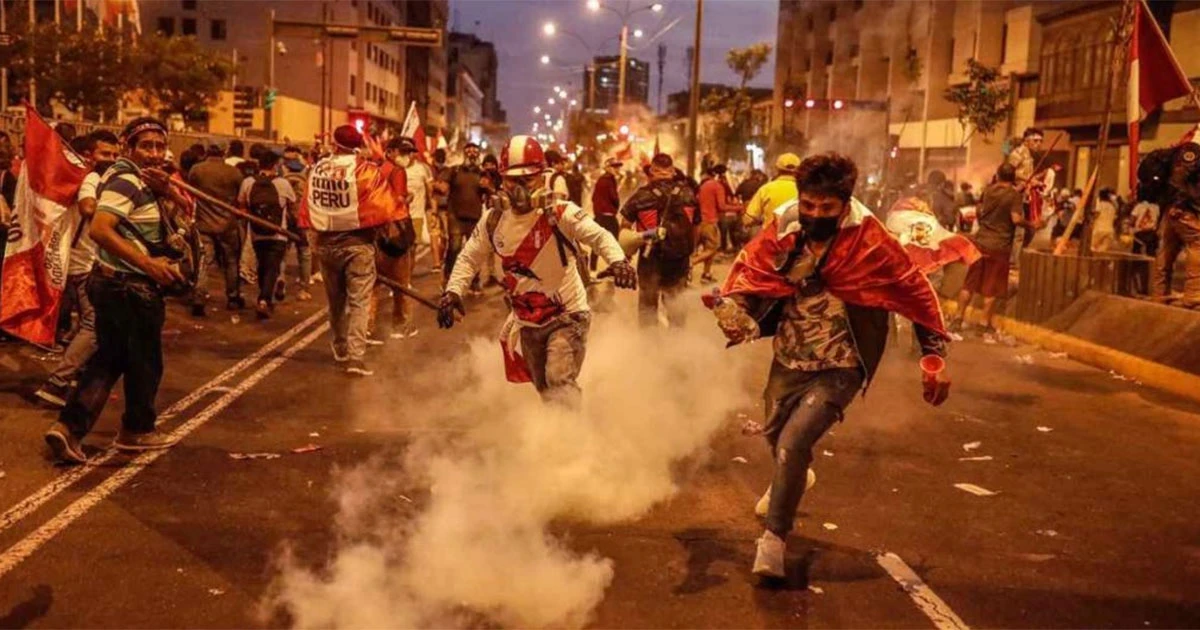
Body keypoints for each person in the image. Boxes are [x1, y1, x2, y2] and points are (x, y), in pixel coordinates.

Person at [710, 153, 950, 579]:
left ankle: (773, 541)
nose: (814, 215)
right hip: (789, 358)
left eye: (826, 209)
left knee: (792, 442)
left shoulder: (870, 240)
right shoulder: (785, 227)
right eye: (809, 205)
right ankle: (796, 475)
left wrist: (933, 355)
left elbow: (913, 289)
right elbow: (752, 273)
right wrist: (734, 309)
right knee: (777, 439)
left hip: (842, 363)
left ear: (844, 204)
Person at [437, 135, 636, 407]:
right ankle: (554, 436)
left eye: (526, 180)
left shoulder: (561, 212)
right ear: (501, 180)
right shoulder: (493, 219)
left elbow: (600, 237)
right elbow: (469, 257)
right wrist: (453, 291)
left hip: (568, 315)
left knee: (559, 382)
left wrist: (619, 261)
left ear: (542, 178)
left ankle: (571, 443)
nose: (518, 189)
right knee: (543, 388)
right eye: (511, 180)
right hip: (527, 321)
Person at [44, 117, 193, 463]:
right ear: (129, 148)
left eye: (159, 146)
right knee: (145, 364)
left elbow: (185, 214)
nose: (155, 153)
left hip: (122, 286)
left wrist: (168, 191)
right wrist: (149, 265)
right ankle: (136, 431)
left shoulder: (143, 182)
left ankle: (68, 429)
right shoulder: (125, 181)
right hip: (128, 288)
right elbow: (100, 229)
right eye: (146, 146)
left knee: (109, 360)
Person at [302, 124, 407, 376]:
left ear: (336, 144)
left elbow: (308, 203)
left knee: (335, 301)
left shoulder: (318, 168)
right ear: (358, 145)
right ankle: (356, 357)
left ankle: (340, 348)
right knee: (359, 302)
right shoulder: (366, 170)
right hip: (358, 245)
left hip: (326, 245)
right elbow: (384, 207)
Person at [34, 131, 121, 407]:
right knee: (94, 325)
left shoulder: (93, 177)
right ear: (89, 156)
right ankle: (57, 383)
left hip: (79, 262)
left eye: (115, 154)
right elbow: (87, 208)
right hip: (84, 265)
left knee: (90, 323)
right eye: (105, 154)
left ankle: (75, 377)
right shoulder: (92, 179)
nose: (111, 159)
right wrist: (115, 212)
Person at [950, 163, 1041, 336]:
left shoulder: (988, 191)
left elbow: (984, 207)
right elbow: (1015, 218)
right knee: (991, 288)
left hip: (980, 243)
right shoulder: (1014, 195)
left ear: (997, 176)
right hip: (999, 246)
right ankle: (984, 324)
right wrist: (1031, 224)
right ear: (1013, 178)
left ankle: (957, 319)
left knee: (969, 284)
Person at [619, 153, 700, 327]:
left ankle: (650, 347)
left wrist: (628, 253)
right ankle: (676, 345)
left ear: (653, 171)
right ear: (671, 171)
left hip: (651, 257)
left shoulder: (641, 195)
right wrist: (690, 252)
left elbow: (624, 226)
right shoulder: (688, 193)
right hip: (680, 259)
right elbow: (696, 226)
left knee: (648, 305)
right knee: (676, 305)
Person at [188, 144, 246, 315]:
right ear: (224, 151)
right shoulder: (234, 173)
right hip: (228, 224)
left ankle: (199, 295)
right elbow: (240, 196)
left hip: (204, 223)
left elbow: (192, 190)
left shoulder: (197, 170)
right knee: (231, 262)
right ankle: (233, 297)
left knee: (203, 261)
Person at [238, 150, 296, 319]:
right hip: (279, 234)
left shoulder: (248, 182)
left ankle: (265, 297)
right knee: (272, 267)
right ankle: (264, 299)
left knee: (263, 266)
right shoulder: (283, 184)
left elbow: (242, 205)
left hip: (256, 233)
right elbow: (292, 205)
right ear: (275, 165)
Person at [435, 141, 486, 290]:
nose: (471, 153)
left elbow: (491, 190)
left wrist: (488, 186)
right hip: (455, 216)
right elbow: (441, 184)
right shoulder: (455, 170)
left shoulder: (481, 173)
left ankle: (474, 281)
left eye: (474, 150)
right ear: (464, 153)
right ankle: (448, 278)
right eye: (469, 150)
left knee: (473, 250)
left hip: (474, 217)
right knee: (454, 248)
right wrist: (440, 186)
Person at [694, 164, 741, 283]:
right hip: (710, 221)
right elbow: (722, 206)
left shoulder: (704, 185)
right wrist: (738, 208)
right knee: (713, 249)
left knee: (706, 248)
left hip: (700, 221)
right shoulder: (717, 186)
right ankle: (691, 264)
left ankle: (706, 274)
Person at [744, 153, 800, 228]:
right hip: (798, 237)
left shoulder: (766, 189)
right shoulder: (804, 189)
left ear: (777, 169)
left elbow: (748, 219)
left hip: (771, 237)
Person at [1091, 188, 1118, 252]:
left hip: (1099, 229)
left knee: (1092, 248)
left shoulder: (1100, 204)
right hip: (1109, 231)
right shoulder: (1112, 206)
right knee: (1102, 250)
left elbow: (1096, 214)